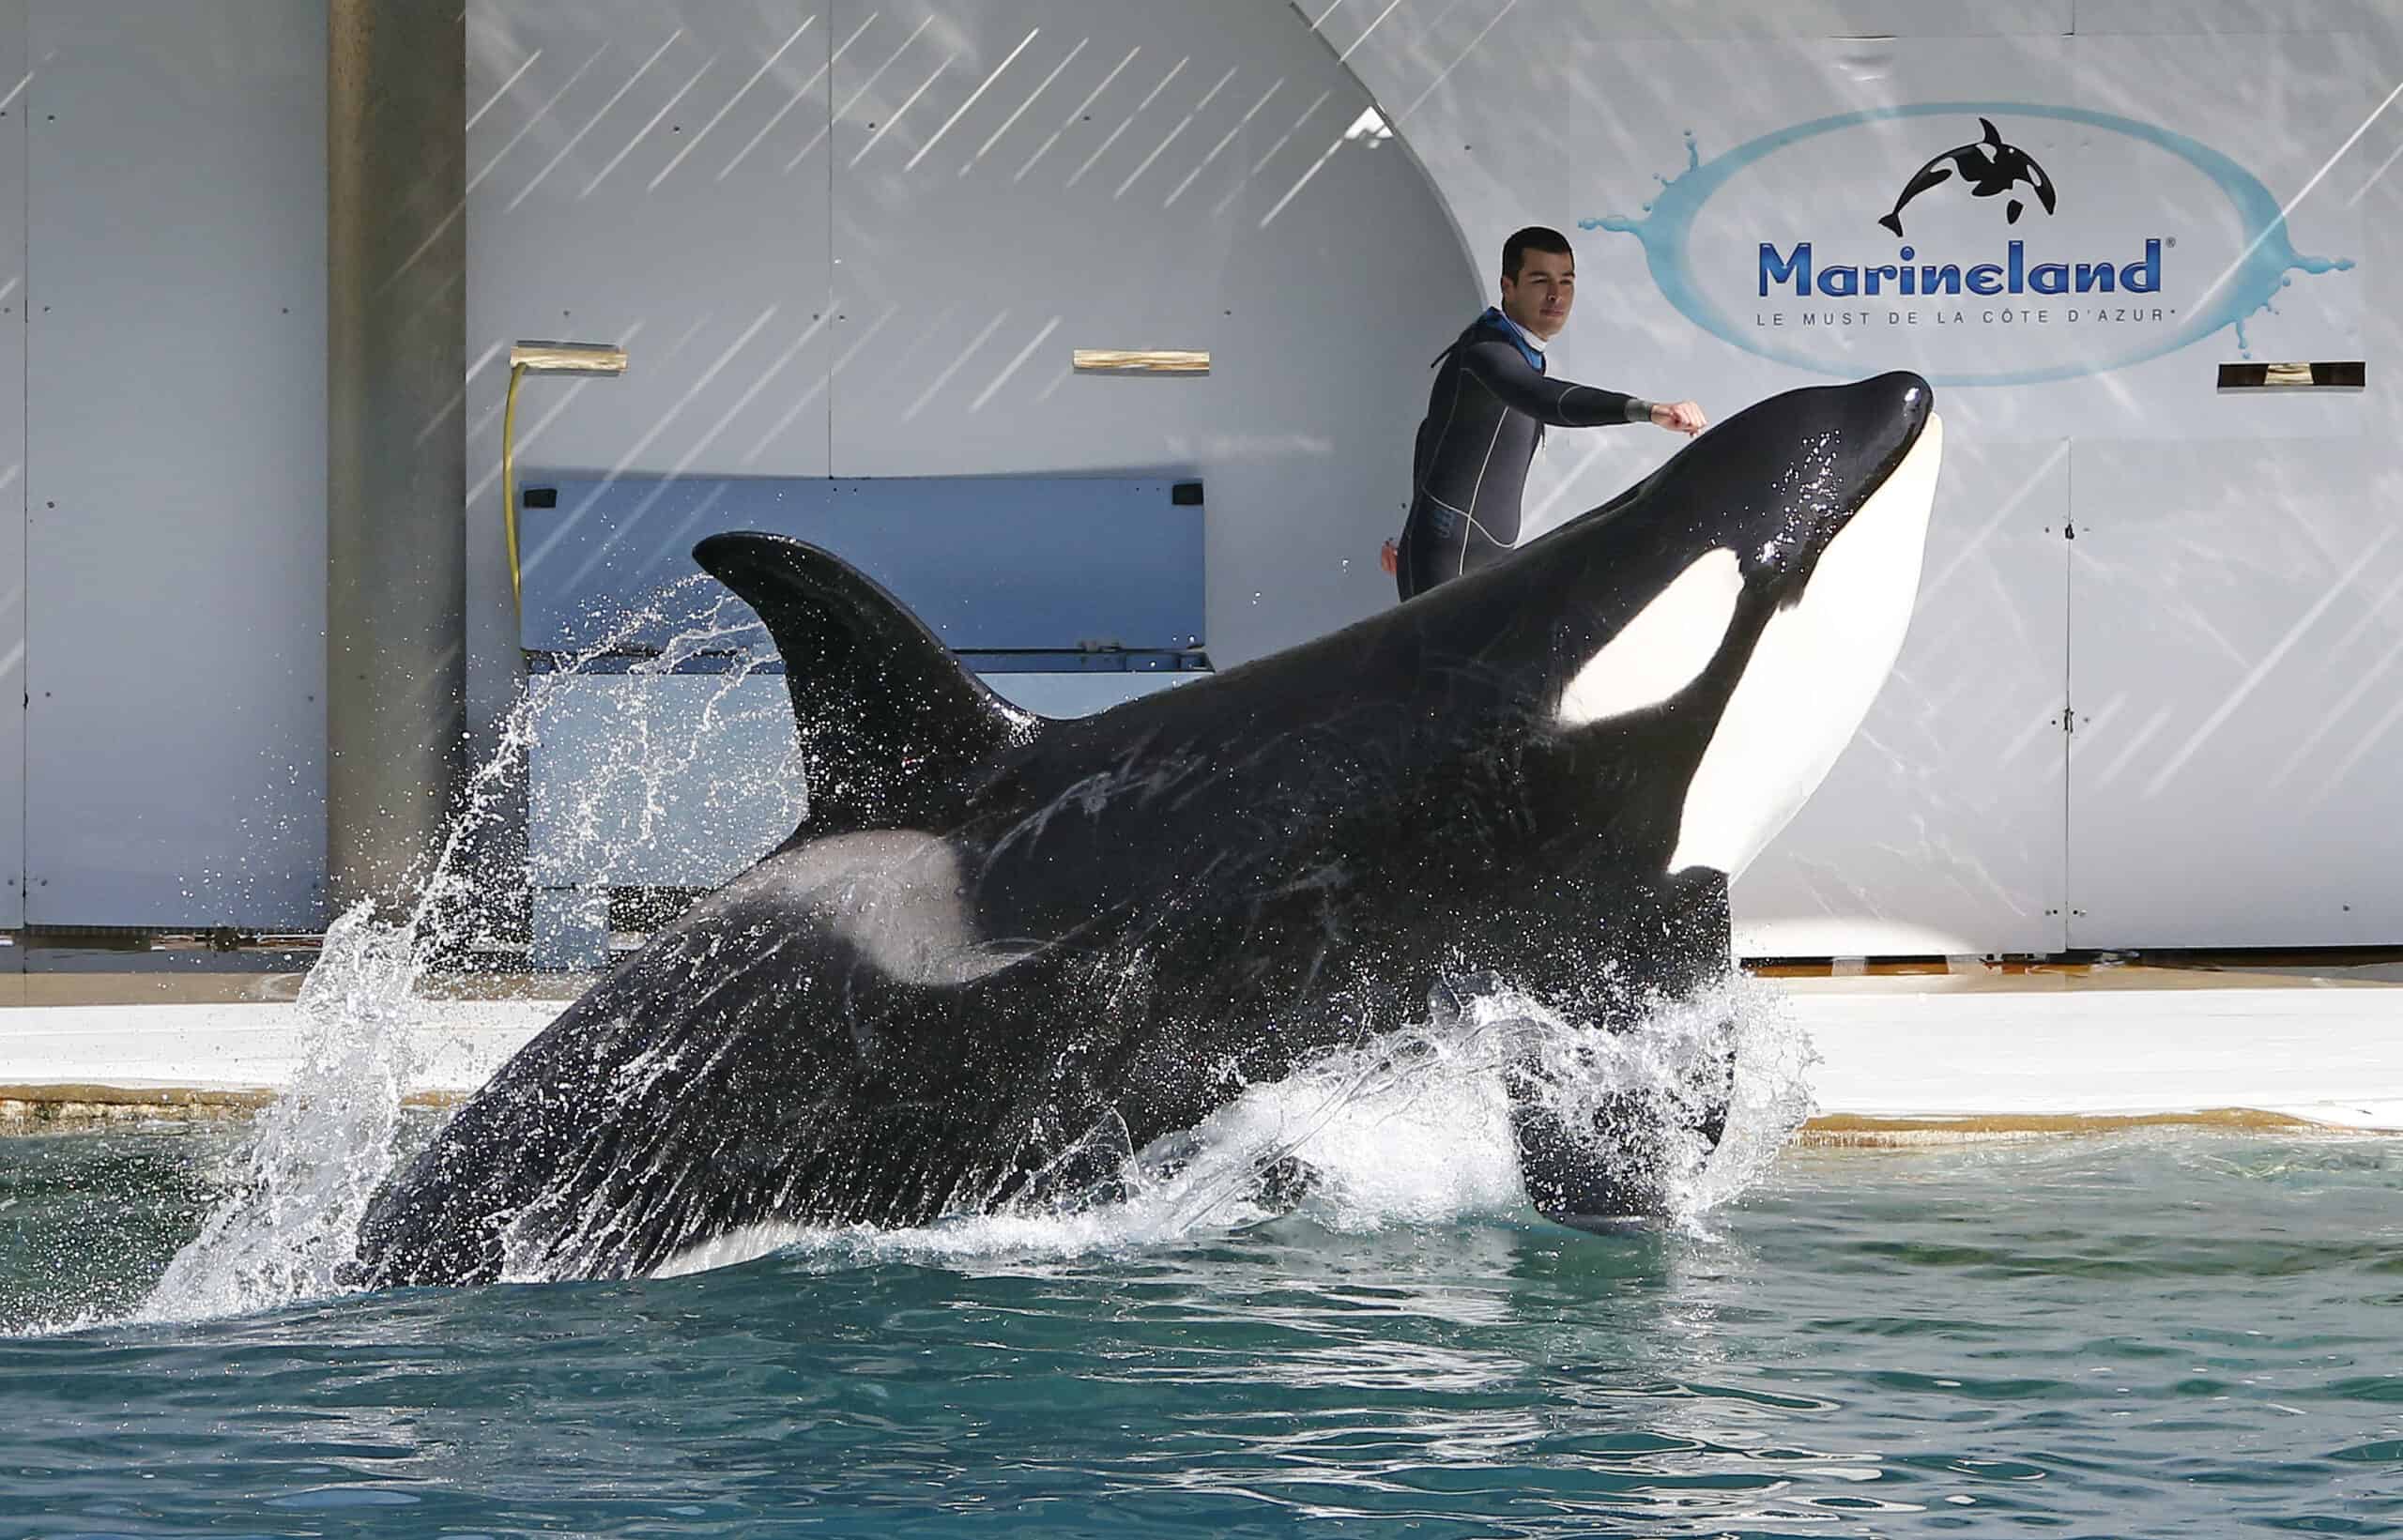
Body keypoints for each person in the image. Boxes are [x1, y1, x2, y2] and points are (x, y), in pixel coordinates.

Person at [1384, 226, 1706, 600]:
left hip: (1473, 560)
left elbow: (1431, 436)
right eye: (1540, 280)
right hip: (1446, 562)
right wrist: (1647, 410)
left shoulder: (1520, 353)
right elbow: (1543, 400)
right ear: (1508, 286)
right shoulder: (1486, 352)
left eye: (1566, 282)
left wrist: (1408, 535)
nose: (1556, 295)